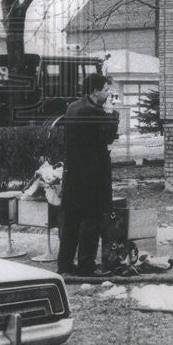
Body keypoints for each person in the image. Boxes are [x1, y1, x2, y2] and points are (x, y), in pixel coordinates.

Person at [57, 72, 119, 276]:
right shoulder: (96, 112)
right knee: (92, 221)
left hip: (73, 175)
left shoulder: (73, 107)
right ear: (95, 91)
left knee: (71, 222)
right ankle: (86, 265)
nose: (108, 94)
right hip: (92, 177)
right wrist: (112, 114)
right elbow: (108, 138)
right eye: (105, 90)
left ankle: (65, 264)